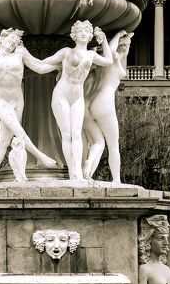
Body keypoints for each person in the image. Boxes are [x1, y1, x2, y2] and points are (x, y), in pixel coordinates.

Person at [0, 28, 57, 183]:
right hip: (1, 101)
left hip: (17, 101)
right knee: (18, 131)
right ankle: (41, 156)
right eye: (11, 39)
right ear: (2, 40)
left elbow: (39, 67)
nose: (13, 43)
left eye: (16, 42)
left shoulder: (20, 53)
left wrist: (60, 64)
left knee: (4, 141)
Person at [41, 20, 116, 180]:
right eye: (80, 30)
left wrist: (104, 41)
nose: (84, 33)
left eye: (87, 31)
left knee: (76, 134)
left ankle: (79, 174)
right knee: (67, 134)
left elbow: (109, 61)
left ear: (90, 36)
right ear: (74, 35)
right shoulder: (66, 52)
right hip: (61, 94)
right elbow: (44, 63)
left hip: (77, 96)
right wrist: (25, 56)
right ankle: (72, 173)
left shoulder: (91, 55)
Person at [82, 30, 133, 182]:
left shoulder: (99, 64)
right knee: (113, 146)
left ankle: (88, 168)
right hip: (104, 101)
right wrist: (118, 35)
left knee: (98, 142)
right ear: (125, 46)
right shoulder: (113, 59)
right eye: (127, 45)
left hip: (87, 103)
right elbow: (110, 50)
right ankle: (117, 180)